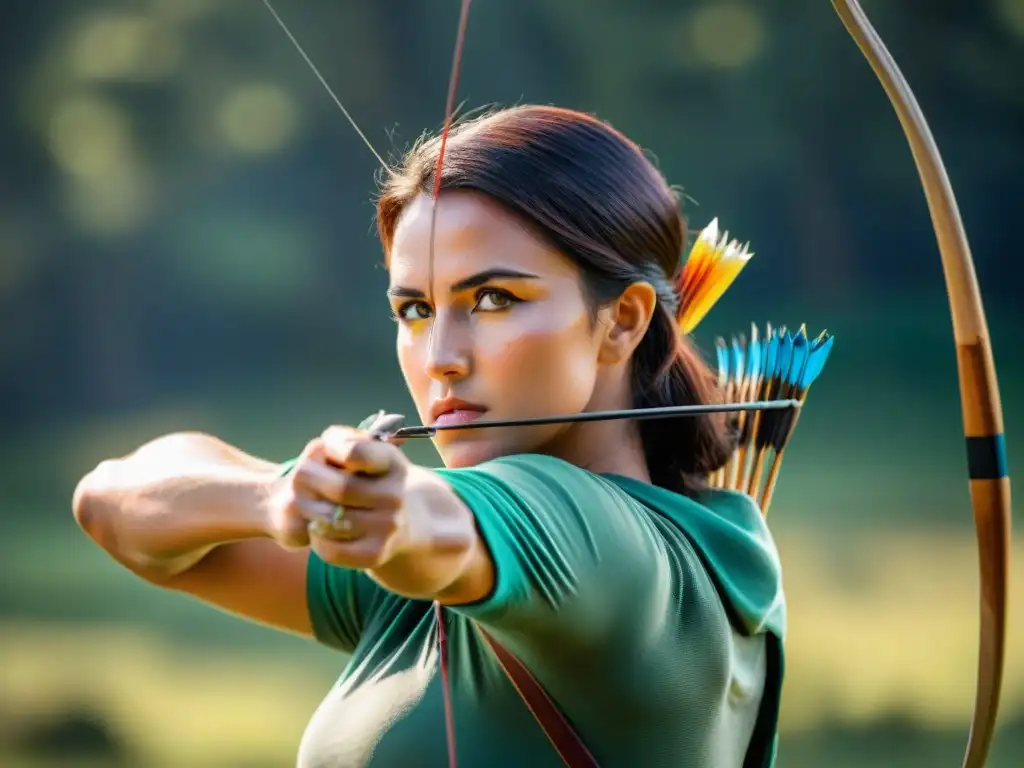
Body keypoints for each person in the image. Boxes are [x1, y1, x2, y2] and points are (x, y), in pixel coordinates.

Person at [73, 105, 785, 768]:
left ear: (623, 321)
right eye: (414, 308)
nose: (441, 354)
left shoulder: (613, 553)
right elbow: (110, 504)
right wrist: (276, 497)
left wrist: (395, 511)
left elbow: (448, 527)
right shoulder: (437, 589)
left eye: (495, 299)